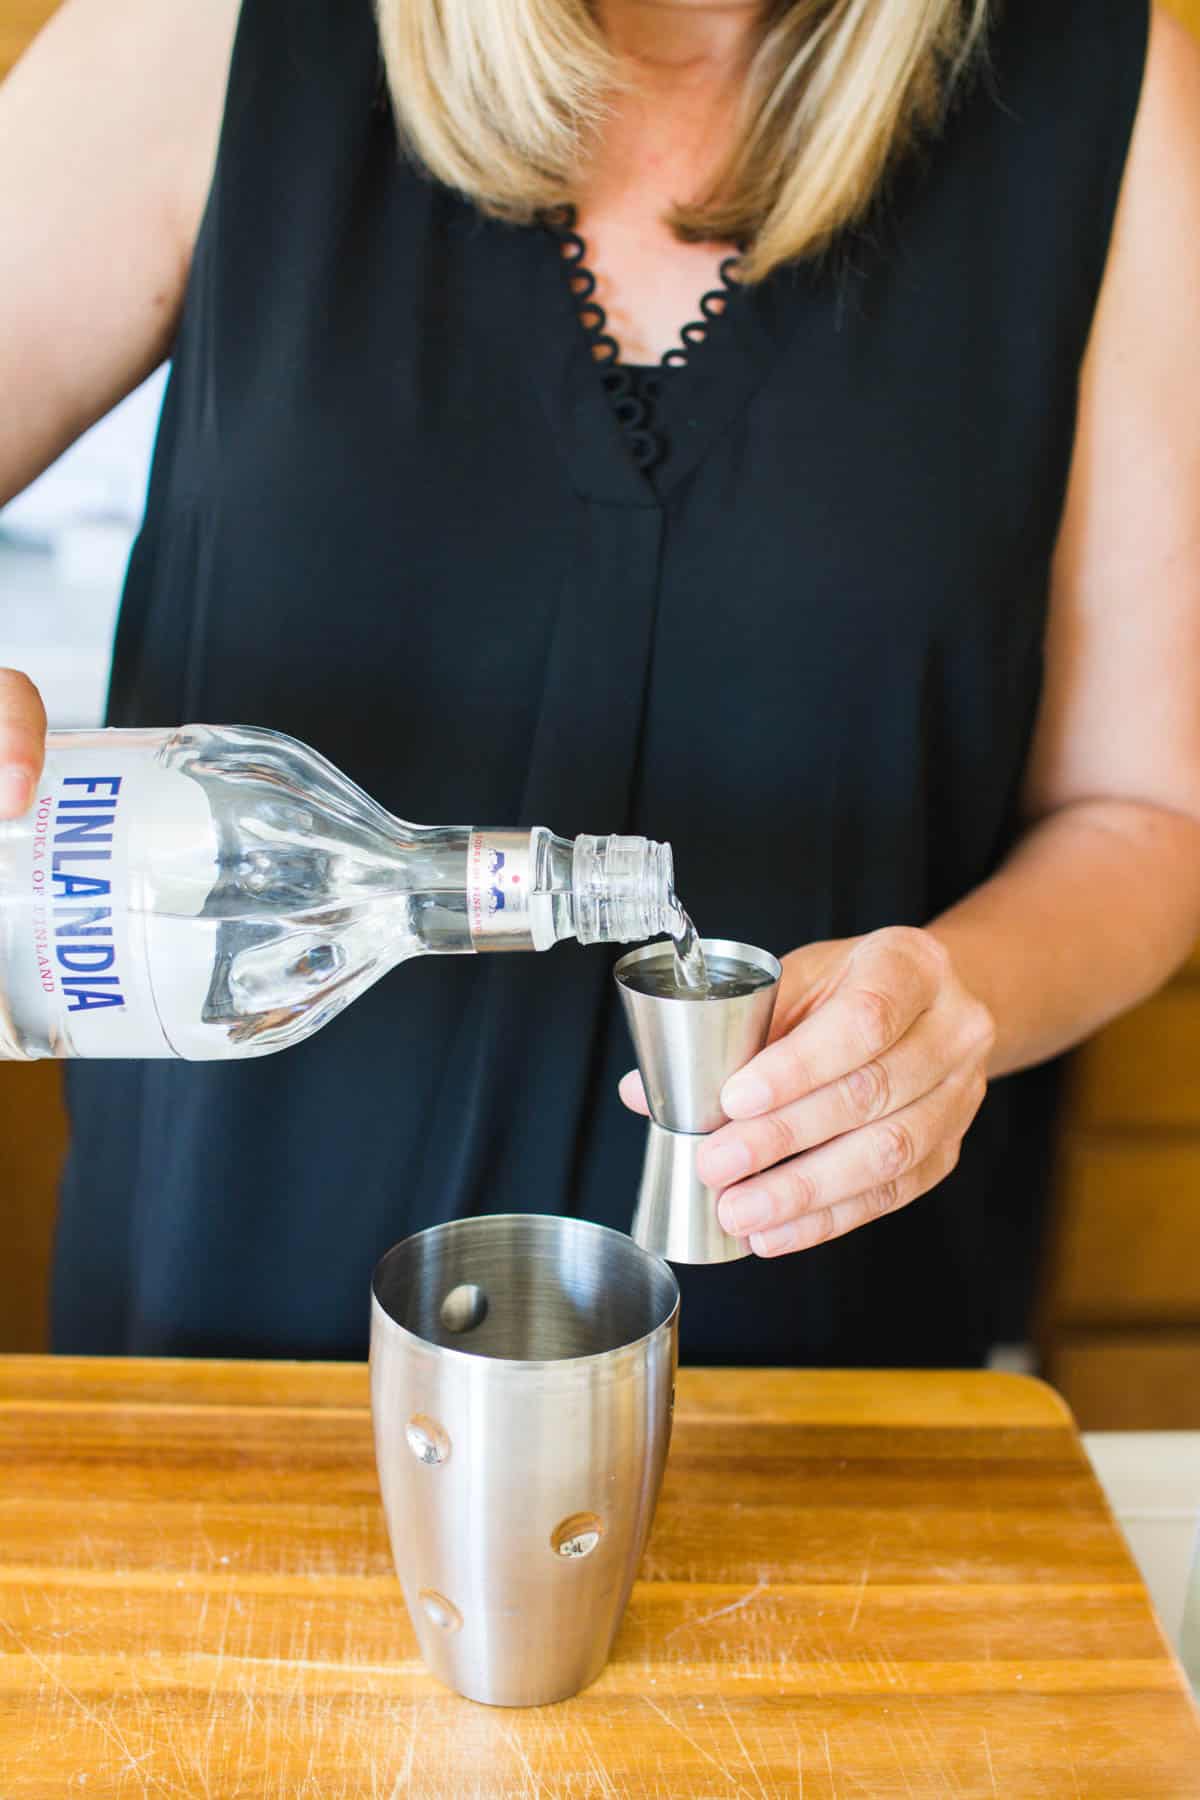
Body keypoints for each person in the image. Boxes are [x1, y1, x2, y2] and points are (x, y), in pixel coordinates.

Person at [1, 0, 1198, 1366]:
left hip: (811, 1358)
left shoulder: (1103, 80)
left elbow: (1146, 808)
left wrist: (951, 1000)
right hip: (239, 1329)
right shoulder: (211, 26)